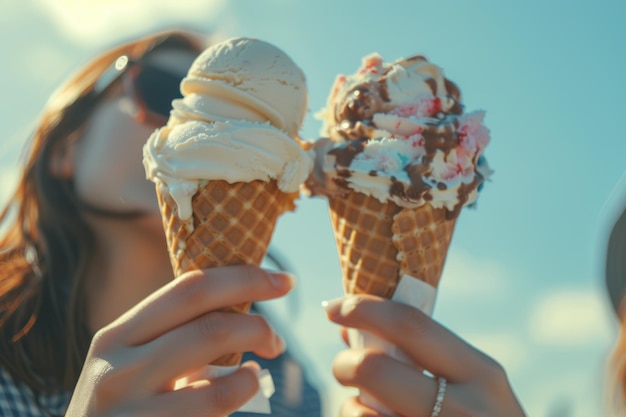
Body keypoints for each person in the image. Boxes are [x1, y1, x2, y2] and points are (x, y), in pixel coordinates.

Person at [0, 27, 526, 417]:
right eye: (167, 94)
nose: (202, 124)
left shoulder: (286, 385)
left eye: (249, 118)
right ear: (64, 149)